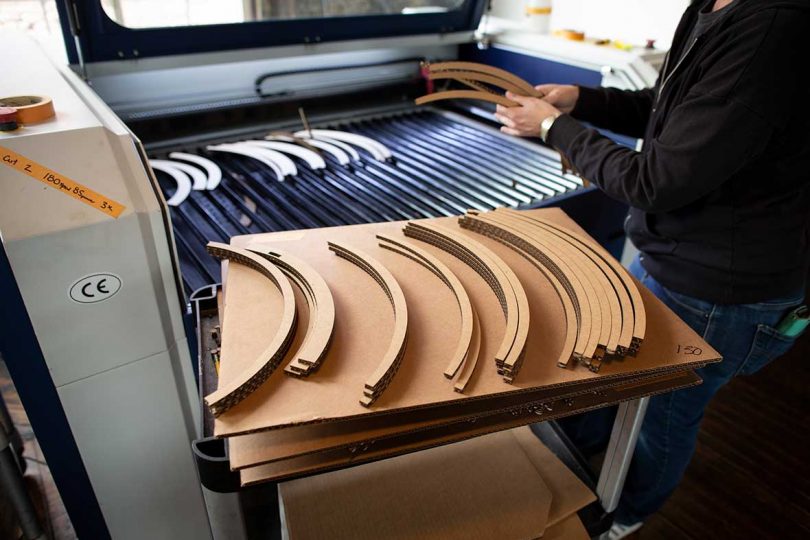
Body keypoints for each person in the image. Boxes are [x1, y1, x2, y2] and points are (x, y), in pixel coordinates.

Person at [493, 0, 810, 537]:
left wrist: (554, 127)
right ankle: (578, 454)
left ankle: (629, 514)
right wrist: (581, 100)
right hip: (672, 258)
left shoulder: (775, 28)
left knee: (662, 419)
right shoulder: (710, 7)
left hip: (721, 290)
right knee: (612, 373)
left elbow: (654, 182)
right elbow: (671, 108)